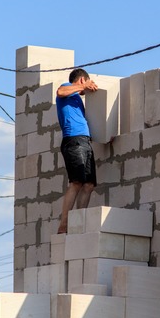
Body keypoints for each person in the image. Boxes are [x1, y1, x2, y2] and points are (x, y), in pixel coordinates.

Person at [56, 68, 98, 234]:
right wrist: (84, 87)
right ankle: (64, 225)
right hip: (73, 141)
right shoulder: (67, 88)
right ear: (82, 80)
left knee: (89, 184)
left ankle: (79, 224)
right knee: (76, 182)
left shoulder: (76, 100)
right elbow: (60, 91)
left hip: (84, 141)